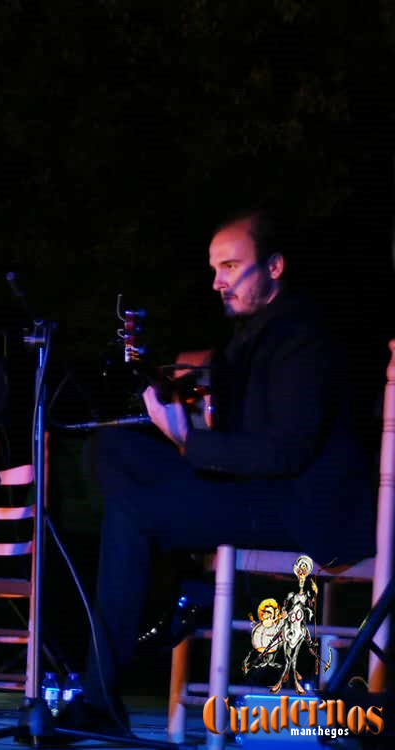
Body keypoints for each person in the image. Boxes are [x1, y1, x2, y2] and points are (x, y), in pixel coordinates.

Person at [82, 211, 372, 728]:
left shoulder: (302, 337)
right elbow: (233, 427)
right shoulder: (249, 336)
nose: (217, 281)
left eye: (231, 266)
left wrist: (186, 439)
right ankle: (181, 583)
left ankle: (104, 694)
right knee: (113, 449)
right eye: (214, 268)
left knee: (131, 510)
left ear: (275, 266)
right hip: (258, 493)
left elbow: (284, 453)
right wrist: (172, 410)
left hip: (301, 509)